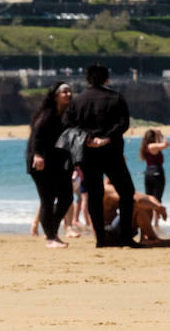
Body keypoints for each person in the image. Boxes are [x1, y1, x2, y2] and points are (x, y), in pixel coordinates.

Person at [64, 63, 138, 247]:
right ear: (107, 78)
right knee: (126, 192)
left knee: (95, 195)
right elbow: (123, 123)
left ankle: (100, 239)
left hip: (88, 153)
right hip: (112, 152)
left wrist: (88, 138)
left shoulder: (78, 100)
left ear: (88, 79)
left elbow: (67, 124)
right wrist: (106, 138)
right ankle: (125, 236)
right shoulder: (115, 97)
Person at [26, 81, 74, 248]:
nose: (69, 94)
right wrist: (37, 155)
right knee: (47, 199)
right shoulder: (48, 114)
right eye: (65, 92)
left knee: (67, 197)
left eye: (70, 92)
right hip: (41, 163)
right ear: (56, 96)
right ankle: (51, 237)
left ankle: (51, 231)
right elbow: (37, 135)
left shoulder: (66, 114)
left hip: (58, 164)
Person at [102, 179, 170, 247]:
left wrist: (157, 204)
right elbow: (137, 200)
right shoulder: (107, 188)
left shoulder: (114, 185)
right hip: (108, 234)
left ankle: (145, 238)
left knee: (145, 203)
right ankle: (152, 238)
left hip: (114, 231)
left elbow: (145, 197)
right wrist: (158, 208)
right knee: (137, 206)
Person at [138, 128, 170, 227]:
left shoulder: (146, 147)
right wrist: (160, 134)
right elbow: (166, 144)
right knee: (157, 199)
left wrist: (157, 136)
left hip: (148, 173)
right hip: (157, 173)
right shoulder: (153, 146)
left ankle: (150, 221)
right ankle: (156, 223)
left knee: (150, 199)